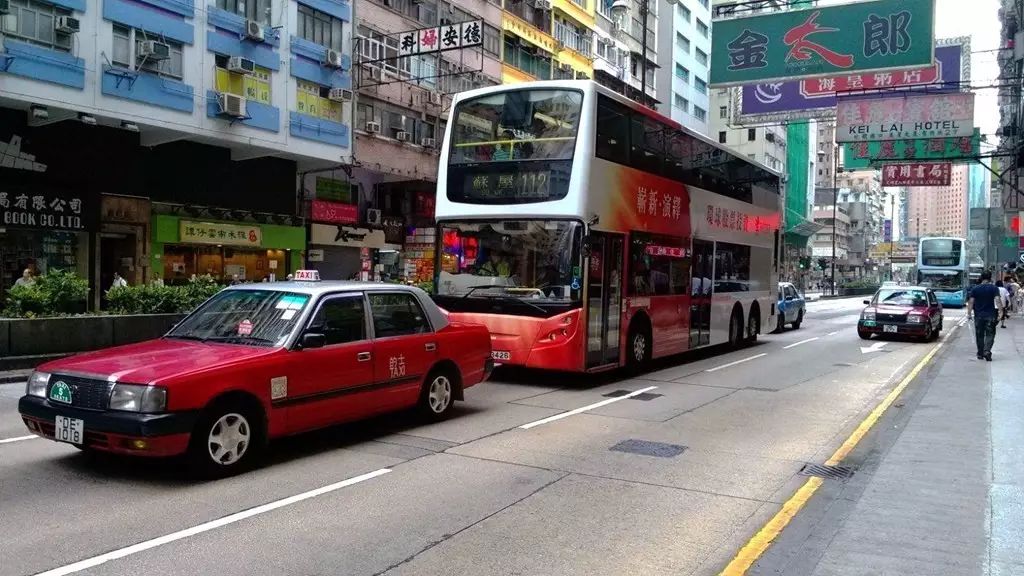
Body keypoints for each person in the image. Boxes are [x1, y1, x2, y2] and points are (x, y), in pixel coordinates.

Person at [967, 271, 1003, 361]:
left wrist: (969, 313)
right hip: (991, 315)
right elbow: (998, 300)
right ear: (990, 278)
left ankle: (980, 353)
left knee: (979, 335)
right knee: (990, 334)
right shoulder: (994, 288)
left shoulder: (975, 289)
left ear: (981, 278)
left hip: (978, 316)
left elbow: (971, 302)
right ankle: (987, 351)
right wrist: (1001, 311)